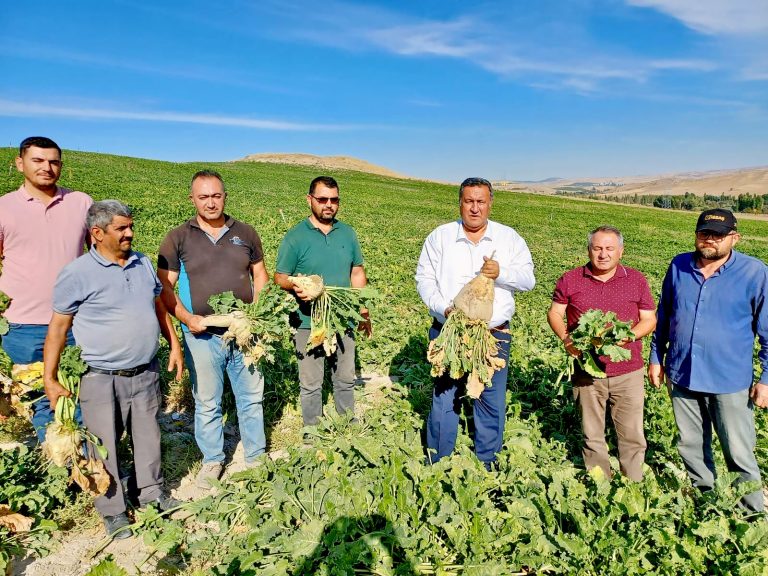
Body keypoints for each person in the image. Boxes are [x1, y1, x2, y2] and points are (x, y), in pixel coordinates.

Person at [42, 200, 183, 538]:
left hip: (145, 371)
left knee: (148, 437)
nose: (130, 233)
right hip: (100, 377)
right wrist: (49, 377)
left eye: (130, 226)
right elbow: (58, 328)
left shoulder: (142, 263)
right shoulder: (77, 274)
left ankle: (151, 495)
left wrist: (174, 344)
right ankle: (113, 509)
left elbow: (158, 306)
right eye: (122, 228)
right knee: (103, 443)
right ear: (97, 233)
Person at [649, 208, 768, 513]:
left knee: (739, 452)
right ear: (696, 235)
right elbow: (664, 316)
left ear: (735, 238)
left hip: (728, 379)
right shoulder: (678, 265)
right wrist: (655, 357)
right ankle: (706, 504)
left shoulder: (755, 273)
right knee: (690, 445)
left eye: (719, 234)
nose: (710, 240)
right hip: (682, 373)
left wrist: (766, 379)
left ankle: (750, 514)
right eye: (705, 233)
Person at [158, 170, 269, 489]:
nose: (211, 202)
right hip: (203, 335)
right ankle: (212, 460)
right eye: (203, 196)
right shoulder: (178, 237)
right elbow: (165, 286)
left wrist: (257, 313)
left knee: (251, 395)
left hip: (246, 332)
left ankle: (256, 455)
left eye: (216, 195)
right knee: (207, 399)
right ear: (192, 199)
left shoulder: (246, 233)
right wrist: (186, 318)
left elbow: (259, 275)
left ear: (225, 196)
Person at [415, 177, 535, 467]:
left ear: (490, 203)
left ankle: (487, 463)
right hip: (449, 331)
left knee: (489, 400)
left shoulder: (509, 238)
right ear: (460, 202)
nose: (474, 208)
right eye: (469, 201)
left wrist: (501, 272)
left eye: (481, 201)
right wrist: (444, 309)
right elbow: (424, 279)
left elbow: (529, 280)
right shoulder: (440, 237)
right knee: (445, 397)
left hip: (493, 334)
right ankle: (438, 460)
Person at [0, 136, 92, 441]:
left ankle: (87, 467)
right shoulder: (4, 208)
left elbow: (100, 255)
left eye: (53, 162)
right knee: (43, 401)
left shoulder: (81, 202)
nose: (47, 168)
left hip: (78, 321)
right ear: (20, 164)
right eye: (38, 160)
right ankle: (61, 468)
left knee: (82, 394)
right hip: (24, 324)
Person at [547, 225, 656, 481]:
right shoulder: (571, 279)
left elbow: (649, 319)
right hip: (587, 372)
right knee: (592, 433)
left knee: (631, 434)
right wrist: (566, 338)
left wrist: (629, 336)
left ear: (621, 251)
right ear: (589, 250)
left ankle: (634, 483)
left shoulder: (636, 280)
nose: (603, 254)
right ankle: (600, 485)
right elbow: (555, 313)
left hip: (628, 371)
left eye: (609, 248)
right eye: (597, 248)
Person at [274, 176, 369, 432]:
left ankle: (347, 426)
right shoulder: (296, 237)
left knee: (345, 378)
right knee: (311, 382)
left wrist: (363, 309)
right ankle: (312, 432)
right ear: (310, 200)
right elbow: (279, 276)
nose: (329, 205)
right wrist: (295, 285)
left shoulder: (347, 233)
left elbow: (357, 272)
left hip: (343, 319)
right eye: (322, 199)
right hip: (309, 321)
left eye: (334, 200)